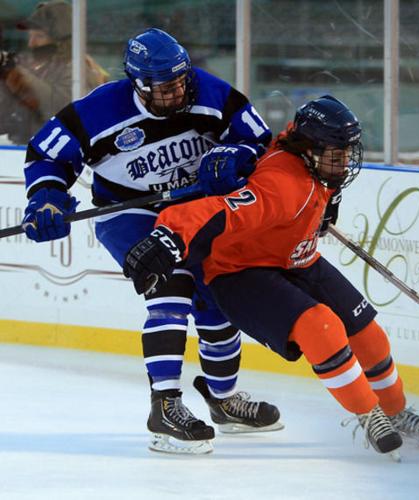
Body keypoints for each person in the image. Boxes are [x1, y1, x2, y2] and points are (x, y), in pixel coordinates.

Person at [121, 95, 419, 458]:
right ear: (309, 150)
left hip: (297, 259)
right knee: (320, 327)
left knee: (368, 335)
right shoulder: (283, 184)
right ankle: (368, 413)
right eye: (335, 154)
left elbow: (289, 136)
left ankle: (395, 410)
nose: (343, 162)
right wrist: (170, 234)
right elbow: (222, 212)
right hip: (241, 273)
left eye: (347, 152)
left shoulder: (315, 157)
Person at [20, 27, 282, 455]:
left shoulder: (213, 93)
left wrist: (237, 158)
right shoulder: (100, 109)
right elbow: (47, 153)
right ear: (136, 83)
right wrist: (47, 197)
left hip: (196, 209)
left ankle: (223, 399)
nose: (177, 91)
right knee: (171, 279)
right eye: (165, 86)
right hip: (128, 212)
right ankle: (165, 406)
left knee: (218, 290)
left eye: (181, 80)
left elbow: (258, 142)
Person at [0, 0, 108, 144]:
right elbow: (11, 116)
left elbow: (58, 109)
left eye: (39, 36)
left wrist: (15, 72)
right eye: (30, 36)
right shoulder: (43, 68)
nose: (31, 43)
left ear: (62, 41)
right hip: (25, 152)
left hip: (60, 158)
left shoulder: (81, 71)